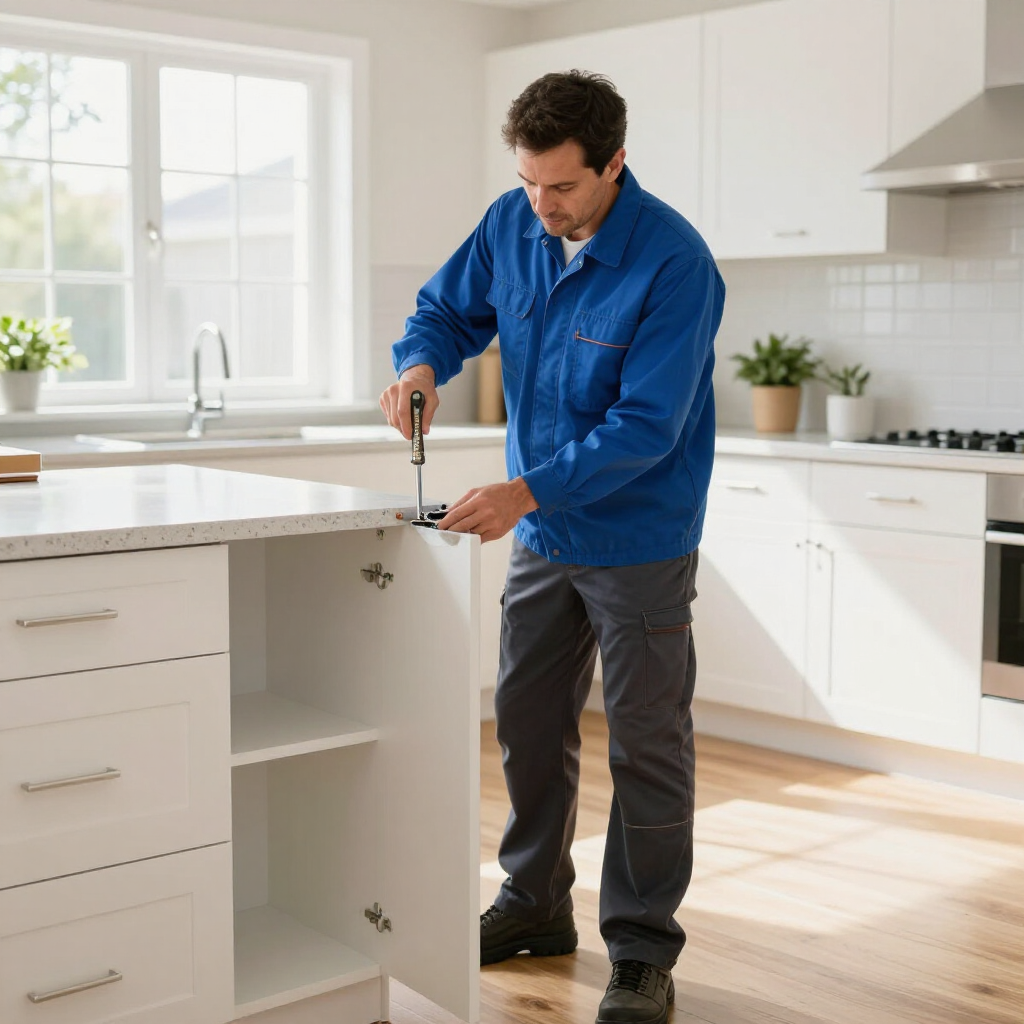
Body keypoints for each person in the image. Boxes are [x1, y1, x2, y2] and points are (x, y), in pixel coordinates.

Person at [380, 70, 724, 1024]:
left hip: (639, 538)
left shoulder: (676, 265)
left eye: (562, 187)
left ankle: (645, 948)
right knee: (528, 723)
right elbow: (447, 312)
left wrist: (522, 488)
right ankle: (534, 904)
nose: (542, 205)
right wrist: (418, 363)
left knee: (648, 745)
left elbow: (647, 426)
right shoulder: (512, 221)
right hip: (542, 534)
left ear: (614, 163)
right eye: (528, 181)